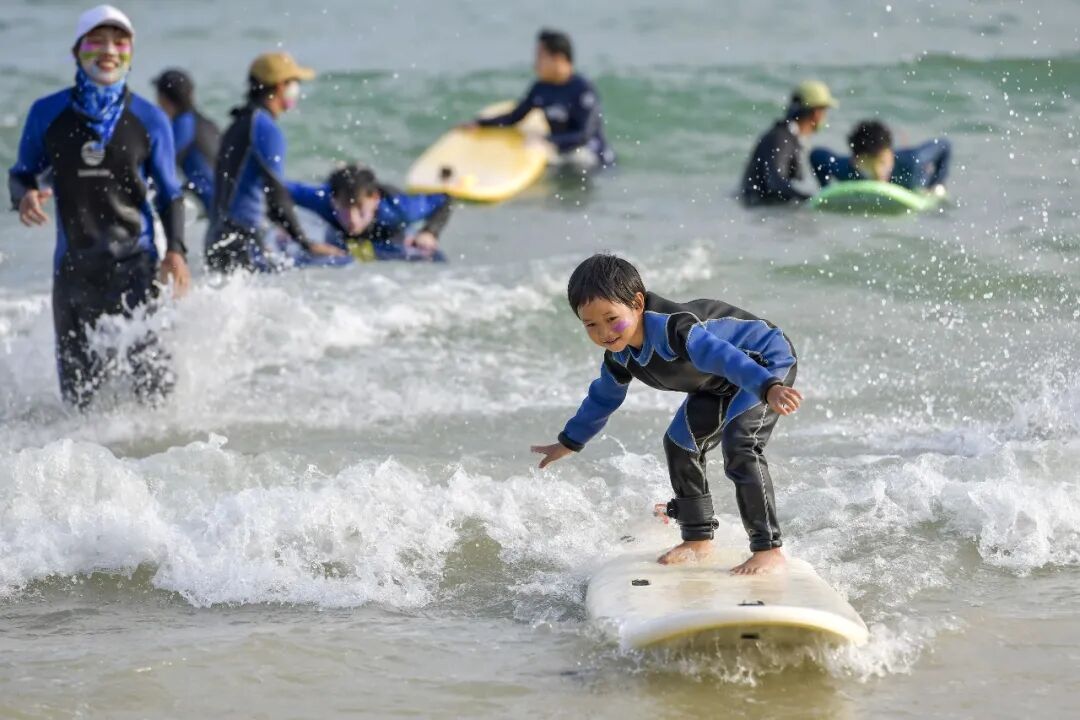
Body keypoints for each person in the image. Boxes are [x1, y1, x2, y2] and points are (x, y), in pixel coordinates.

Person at [531, 254, 802, 574]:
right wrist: (569, 441)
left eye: (611, 319)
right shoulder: (619, 358)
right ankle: (698, 539)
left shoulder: (676, 329)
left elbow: (724, 357)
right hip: (718, 384)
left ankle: (768, 549)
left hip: (762, 365)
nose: (605, 332)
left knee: (741, 445)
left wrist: (768, 387)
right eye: (591, 325)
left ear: (637, 303)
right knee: (680, 443)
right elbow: (602, 399)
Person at [8, 5, 189, 409]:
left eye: (119, 41)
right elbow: (22, 173)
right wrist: (24, 196)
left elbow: (170, 193)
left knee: (155, 398)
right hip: (74, 273)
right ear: (77, 51)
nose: (108, 51)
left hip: (136, 268)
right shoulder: (47, 114)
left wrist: (176, 250)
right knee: (80, 406)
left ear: (130, 51)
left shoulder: (149, 118)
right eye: (97, 41)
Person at [206, 52, 344, 272]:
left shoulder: (240, 123)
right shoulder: (265, 128)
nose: (297, 90)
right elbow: (276, 195)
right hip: (242, 239)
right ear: (281, 86)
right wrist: (306, 243)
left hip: (218, 237)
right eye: (295, 83)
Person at [462, 29, 615, 168]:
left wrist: (546, 140)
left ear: (558, 59)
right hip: (562, 155)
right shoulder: (541, 88)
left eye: (540, 57)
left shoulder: (583, 90)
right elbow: (515, 116)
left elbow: (584, 135)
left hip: (593, 160)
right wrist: (481, 123)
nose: (535, 64)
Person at [287, 164, 452, 262]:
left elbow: (444, 200)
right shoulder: (321, 198)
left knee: (432, 256)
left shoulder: (399, 208)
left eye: (360, 209)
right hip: (339, 241)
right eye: (344, 208)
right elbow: (274, 187)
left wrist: (429, 232)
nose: (352, 219)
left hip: (390, 240)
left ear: (375, 199)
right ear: (333, 200)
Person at [738, 80, 837, 206]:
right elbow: (775, 183)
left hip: (761, 212)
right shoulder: (781, 138)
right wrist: (811, 200)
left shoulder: (787, 137)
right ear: (816, 113)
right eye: (825, 111)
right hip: (762, 213)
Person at [809, 119, 951, 191]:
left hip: (921, 180)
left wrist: (936, 184)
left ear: (890, 153)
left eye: (882, 162)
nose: (878, 172)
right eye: (869, 164)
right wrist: (825, 188)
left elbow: (945, 145)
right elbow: (816, 155)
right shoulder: (845, 169)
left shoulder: (912, 162)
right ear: (855, 160)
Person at [153, 68, 220, 219]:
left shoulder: (183, 125)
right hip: (225, 201)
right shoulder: (208, 124)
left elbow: (161, 166)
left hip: (211, 206)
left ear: (163, 98)